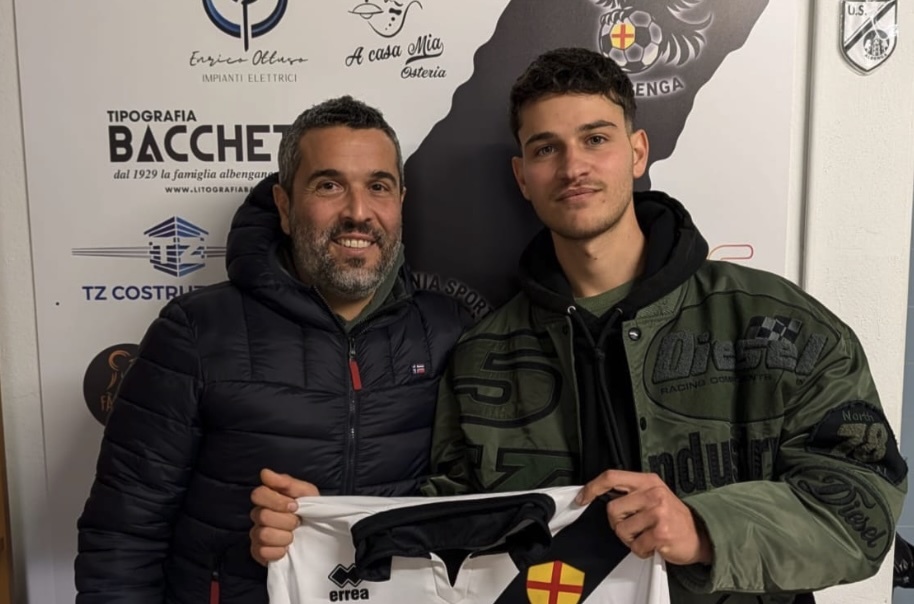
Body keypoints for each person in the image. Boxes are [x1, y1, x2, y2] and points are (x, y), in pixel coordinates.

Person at [250, 49, 906, 603]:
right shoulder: (483, 351)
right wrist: (324, 525)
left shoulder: (774, 324)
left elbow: (863, 506)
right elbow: (449, 522)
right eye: (546, 149)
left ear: (637, 152)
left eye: (596, 139)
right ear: (522, 176)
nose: (573, 168)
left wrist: (703, 528)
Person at [75, 96, 467, 603]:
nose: (358, 212)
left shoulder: (447, 329)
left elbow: (475, 509)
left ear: (400, 202)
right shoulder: (195, 332)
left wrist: (326, 529)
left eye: (378, 186)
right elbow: (122, 535)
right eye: (329, 185)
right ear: (284, 206)